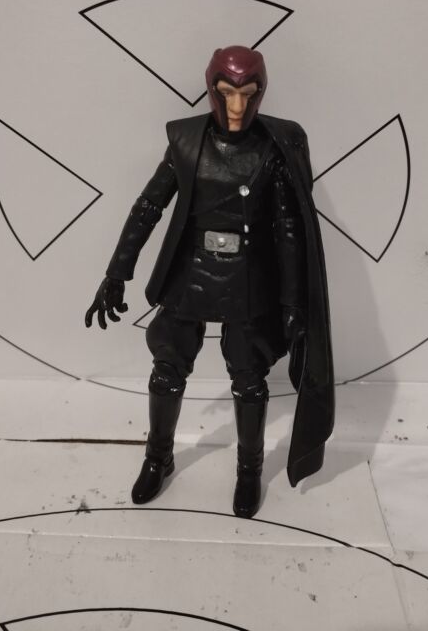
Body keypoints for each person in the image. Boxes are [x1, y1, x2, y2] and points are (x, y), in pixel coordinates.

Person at [85, 45, 334, 518]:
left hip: (249, 277)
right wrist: (117, 271)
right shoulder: (186, 141)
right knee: (167, 369)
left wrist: (292, 301)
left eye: (248, 93)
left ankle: (249, 469)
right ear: (211, 90)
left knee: (250, 378)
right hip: (191, 272)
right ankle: (158, 457)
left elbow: (287, 229)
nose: (237, 106)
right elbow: (148, 206)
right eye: (226, 93)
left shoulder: (274, 147)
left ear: (260, 93)